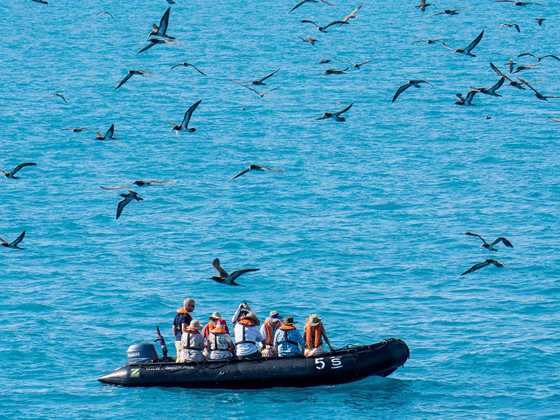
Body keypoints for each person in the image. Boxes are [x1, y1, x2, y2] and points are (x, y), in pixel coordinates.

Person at [172, 298, 195, 362]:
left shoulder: (177, 315)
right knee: (183, 358)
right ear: (187, 305)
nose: (194, 308)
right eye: (192, 306)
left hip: (177, 339)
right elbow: (183, 329)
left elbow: (173, 328)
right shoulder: (186, 316)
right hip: (183, 340)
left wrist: (177, 336)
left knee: (178, 357)